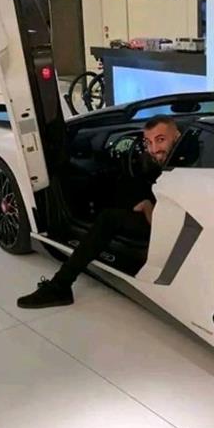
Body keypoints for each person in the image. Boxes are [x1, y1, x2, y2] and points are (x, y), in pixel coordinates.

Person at [17, 115, 181, 309]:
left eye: (160, 140)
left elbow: (169, 226)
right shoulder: (173, 158)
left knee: (108, 218)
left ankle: (60, 286)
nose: (153, 149)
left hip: (167, 232)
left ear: (177, 136)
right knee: (117, 185)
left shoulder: (184, 171)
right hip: (157, 214)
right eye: (148, 142)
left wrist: (147, 206)